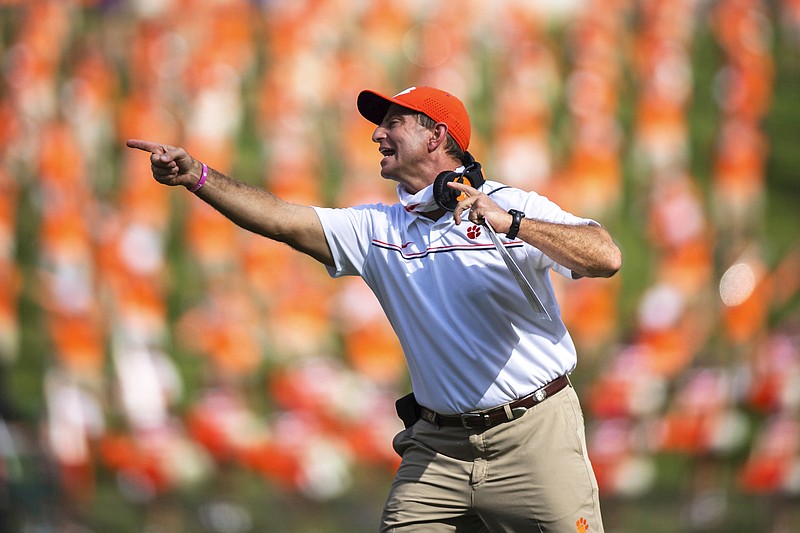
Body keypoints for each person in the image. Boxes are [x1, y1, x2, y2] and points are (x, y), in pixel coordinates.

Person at [127, 85, 621, 533]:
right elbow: (281, 220)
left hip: (534, 436)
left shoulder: (510, 203)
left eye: (393, 123)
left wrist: (513, 223)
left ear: (436, 137)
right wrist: (198, 176)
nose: (377, 135)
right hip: (438, 448)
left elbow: (606, 256)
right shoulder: (375, 228)